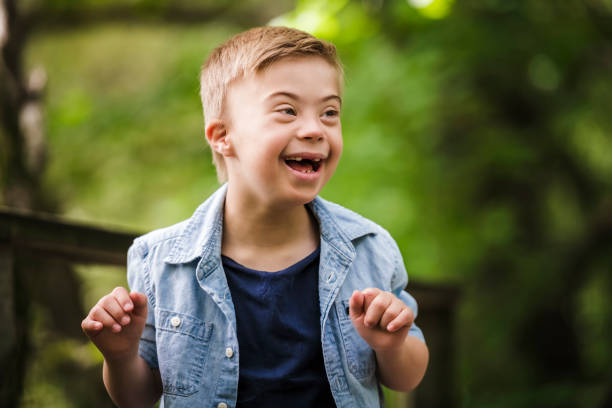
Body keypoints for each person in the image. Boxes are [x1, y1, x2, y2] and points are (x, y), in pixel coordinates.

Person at [81, 26, 429, 408]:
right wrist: (119, 355)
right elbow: (138, 397)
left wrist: (391, 344)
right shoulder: (159, 262)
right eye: (287, 111)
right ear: (222, 136)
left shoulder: (370, 249)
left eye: (330, 112)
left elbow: (406, 376)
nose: (315, 129)